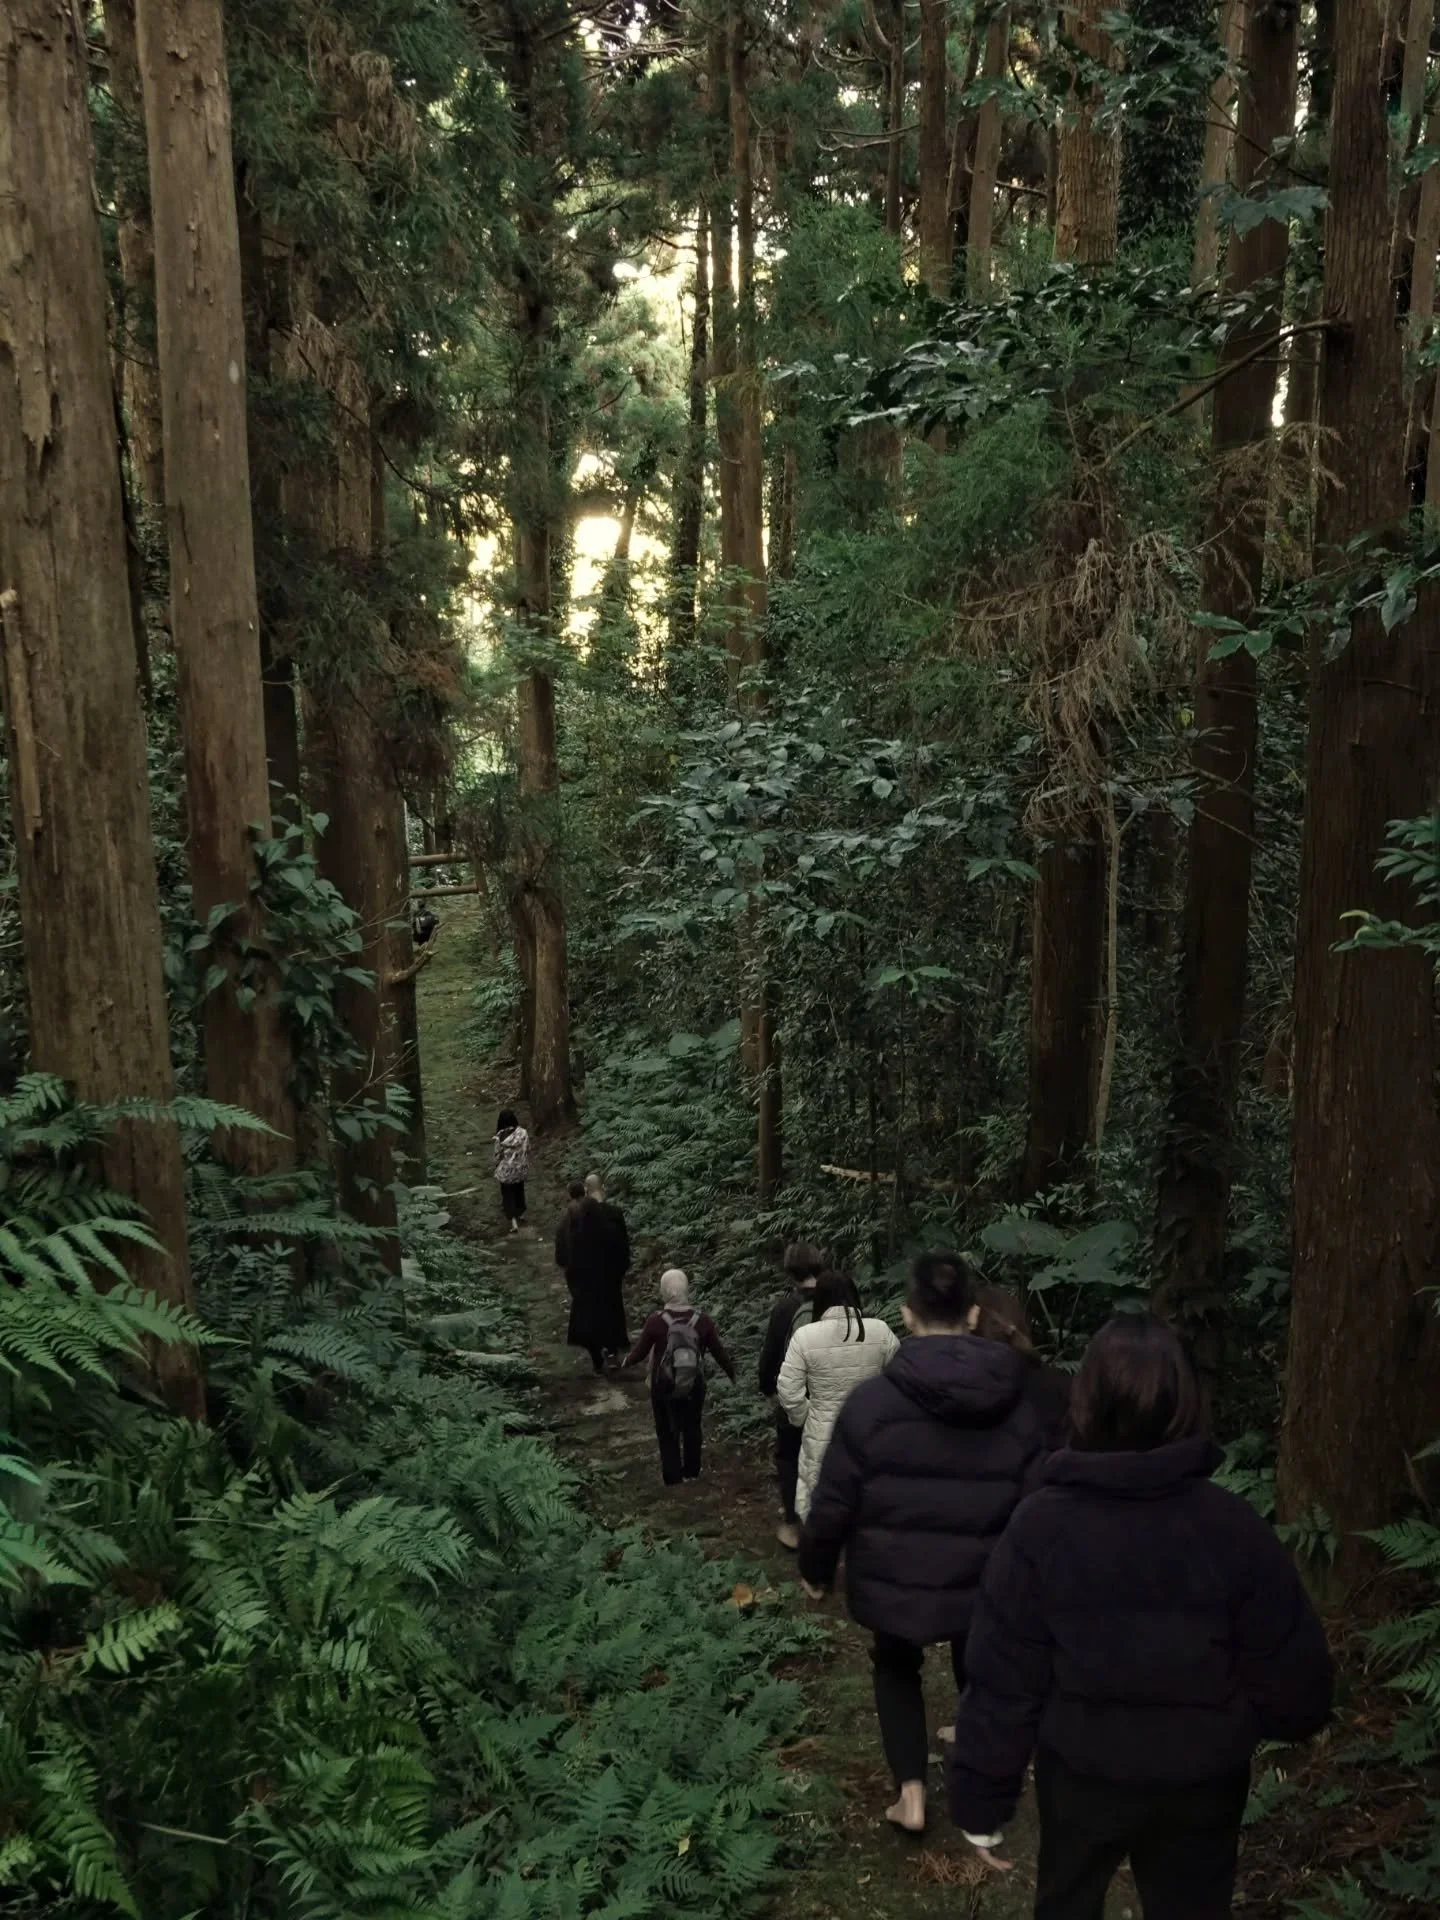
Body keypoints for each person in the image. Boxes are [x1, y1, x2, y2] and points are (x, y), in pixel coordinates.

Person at [949, 1313, 1333, 1918]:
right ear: (1186, 1403)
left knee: (1067, 1902)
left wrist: (981, 1799)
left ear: (1087, 1400)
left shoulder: (1041, 1526)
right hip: (1201, 1782)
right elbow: (1298, 1682)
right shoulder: (1231, 1527)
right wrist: (1234, 1723)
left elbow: (1003, 1678)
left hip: (1081, 1775)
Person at [798, 1251, 1047, 1835]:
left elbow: (833, 1501)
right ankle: (980, 1769)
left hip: (895, 1574)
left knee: (896, 1665)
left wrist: (815, 1566)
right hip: (984, 1575)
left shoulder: (872, 1406)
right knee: (975, 1656)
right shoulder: (1018, 1405)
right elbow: (1040, 1502)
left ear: (907, 1317)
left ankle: (910, 1795)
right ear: (973, 1314)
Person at [777, 1270, 899, 1524]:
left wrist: (805, 1417)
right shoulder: (881, 1331)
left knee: (822, 1499)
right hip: (871, 1431)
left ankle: (824, 1554)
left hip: (822, 1433)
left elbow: (788, 1390)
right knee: (868, 1497)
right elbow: (900, 1379)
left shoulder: (806, 1336)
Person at [625, 1269, 736, 1485]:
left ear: (663, 1291)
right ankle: (692, 1472)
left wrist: (625, 1362)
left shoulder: (655, 1321)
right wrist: (731, 1374)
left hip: (663, 1385)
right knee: (692, 1426)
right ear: (687, 1289)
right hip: (694, 1383)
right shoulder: (702, 1320)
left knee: (666, 1430)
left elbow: (639, 1352)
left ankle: (672, 1476)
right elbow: (719, 1352)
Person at [758, 1241, 828, 1550]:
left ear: (789, 1271)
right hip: (832, 1395)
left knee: (790, 1456)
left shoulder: (786, 1308)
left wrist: (769, 1389)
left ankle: (793, 1525)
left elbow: (771, 1357)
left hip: (795, 1396)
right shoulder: (839, 1302)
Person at [559, 1174, 630, 1373]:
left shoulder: (574, 1216)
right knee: (612, 1313)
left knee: (588, 1316)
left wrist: (572, 1275)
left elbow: (565, 1249)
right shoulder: (614, 1214)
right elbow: (623, 1247)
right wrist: (620, 1271)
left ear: (586, 1190)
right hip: (609, 1277)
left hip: (584, 1278)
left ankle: (596, 1357)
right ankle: (612, 1352)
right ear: (603, 1187)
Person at [491, 1109, 530, 1234]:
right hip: (521, 1168)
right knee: (519, 1190)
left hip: (506, 1171)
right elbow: (528, 1148)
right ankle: (520, 1213)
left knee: (508, 1194)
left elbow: (497, 1155)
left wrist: (497, 1165)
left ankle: (513, 1222)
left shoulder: (500, 1137)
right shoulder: (523, 1133)